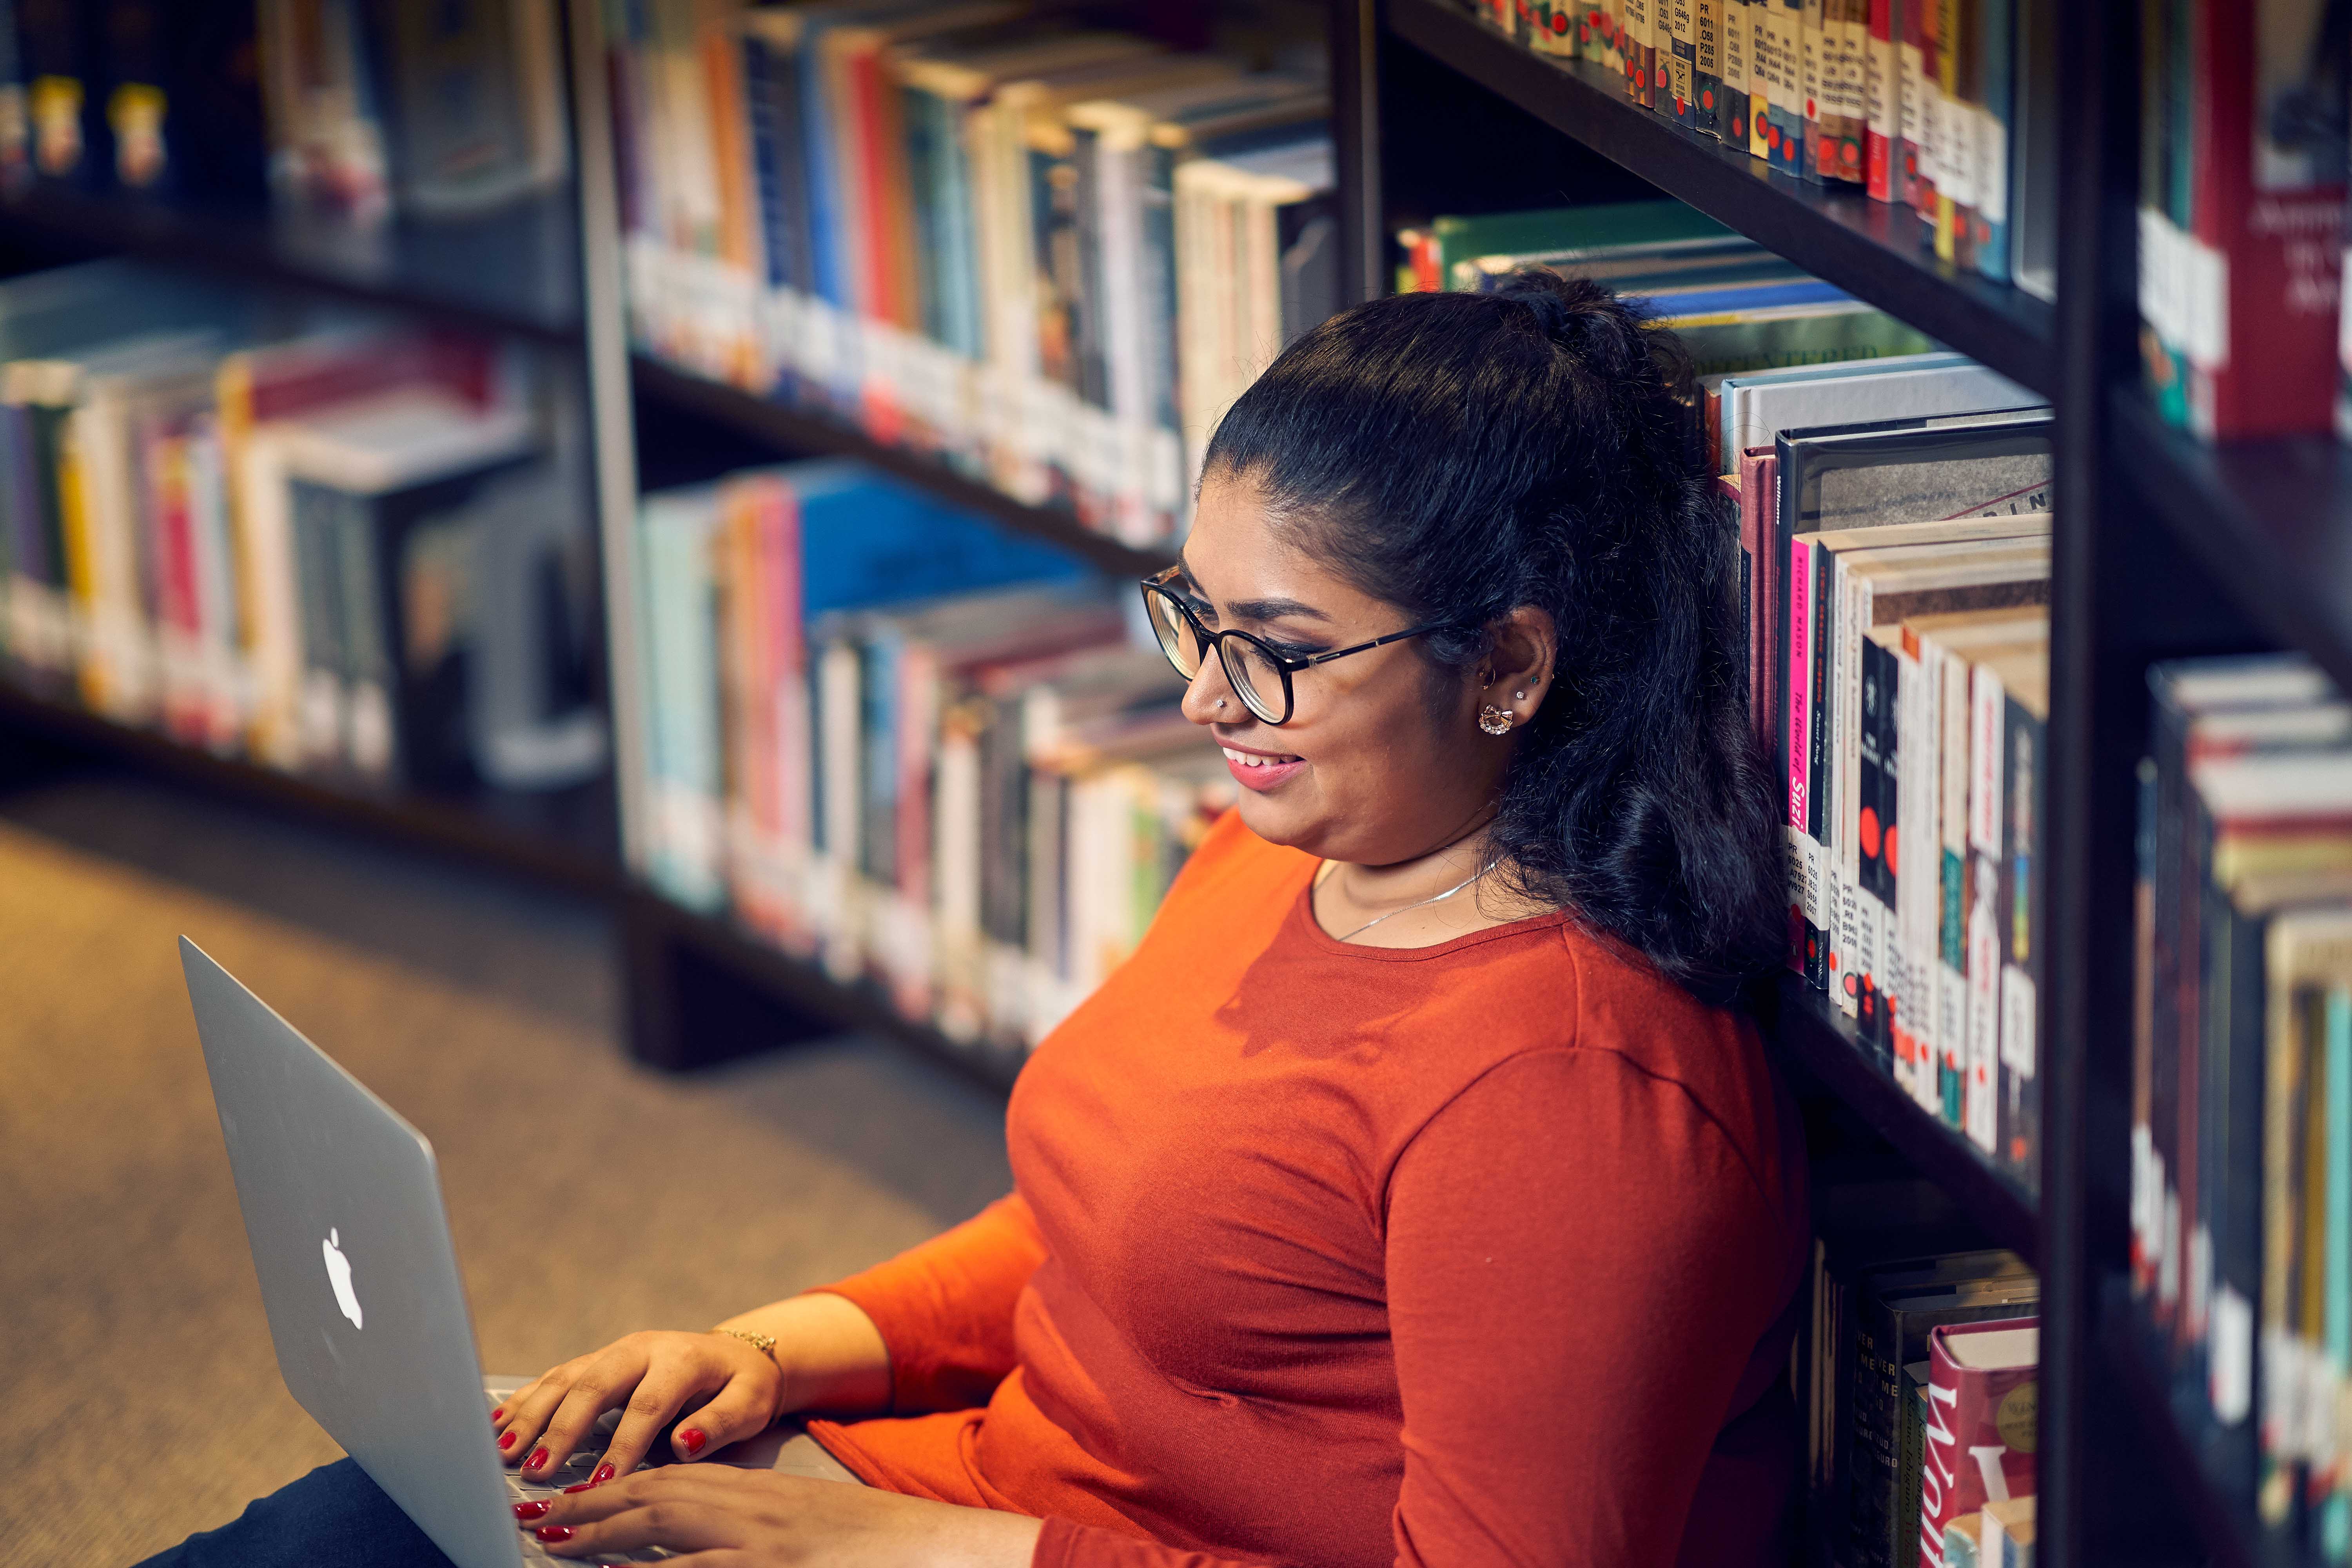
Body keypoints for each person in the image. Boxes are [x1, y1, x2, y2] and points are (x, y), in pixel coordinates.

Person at [143, 269, 1805, 1568]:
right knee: (370, 1520)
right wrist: (776, 1349)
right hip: (964, 1496)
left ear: (1508, 662)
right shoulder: (1295, 848)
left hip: (979, 1542)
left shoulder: (1569, 1095)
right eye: (1194, 614)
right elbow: (1101, 1238)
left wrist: (909, 1547)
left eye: (1281, 650)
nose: (1207, 697)